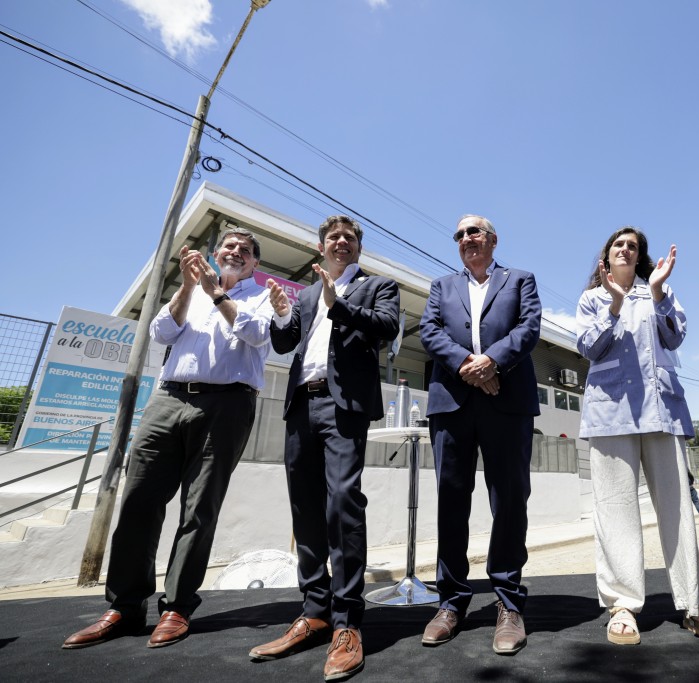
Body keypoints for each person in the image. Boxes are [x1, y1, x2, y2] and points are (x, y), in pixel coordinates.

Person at [63, 229, 273, 650]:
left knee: (199, 508)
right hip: (169, 398)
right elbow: (162, 332)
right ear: (215, 254)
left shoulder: (264, 296)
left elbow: (254, 335)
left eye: (245, 251)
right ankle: (124, 606)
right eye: (228, 247)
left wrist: (216, 294)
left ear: (253, 263)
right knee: (139, 498)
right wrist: (190, 286)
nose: (235, 252)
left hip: (227, 404)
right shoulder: (191, 291)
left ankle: (177, 607)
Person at [248, 215, 399, 679]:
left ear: (358, 249)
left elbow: (386, 328)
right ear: (321, 247)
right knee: (306, 509)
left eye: (349, 238)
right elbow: (286, 340)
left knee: (342, 504)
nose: (340, 241)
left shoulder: (378, 286)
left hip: (342, 406)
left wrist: (339, 303)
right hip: (301, 404)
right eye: (333, 236)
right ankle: (314, 610)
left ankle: (347, 621)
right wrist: (279, 312)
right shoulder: (308, 292)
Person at [576, 226, 699, 649]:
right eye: (619, 245)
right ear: (606, 257)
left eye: (633, 246)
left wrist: (661, 291)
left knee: (678, 510)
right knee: (615, 512)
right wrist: (613, 306)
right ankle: (622, 605)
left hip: (662, 411)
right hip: (611, 414)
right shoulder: (592, 299)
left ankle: (694, 604)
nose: (626, 249)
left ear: (641, 257)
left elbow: (676, 335)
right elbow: (589, 348)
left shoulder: (658, 293)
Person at [418, 214, 541, 655]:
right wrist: (469, 367)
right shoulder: (441, 286)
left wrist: (491, 362)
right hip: (452, 402)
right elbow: (428, 331)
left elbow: (528, 329)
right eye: (460, 234)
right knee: (451, 498)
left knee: (509, 498)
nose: (467, 238)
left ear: (492, 239)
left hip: (507, 401)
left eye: (475, 231)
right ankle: (450, 603)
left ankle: (508, 603)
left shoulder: (520, 279)